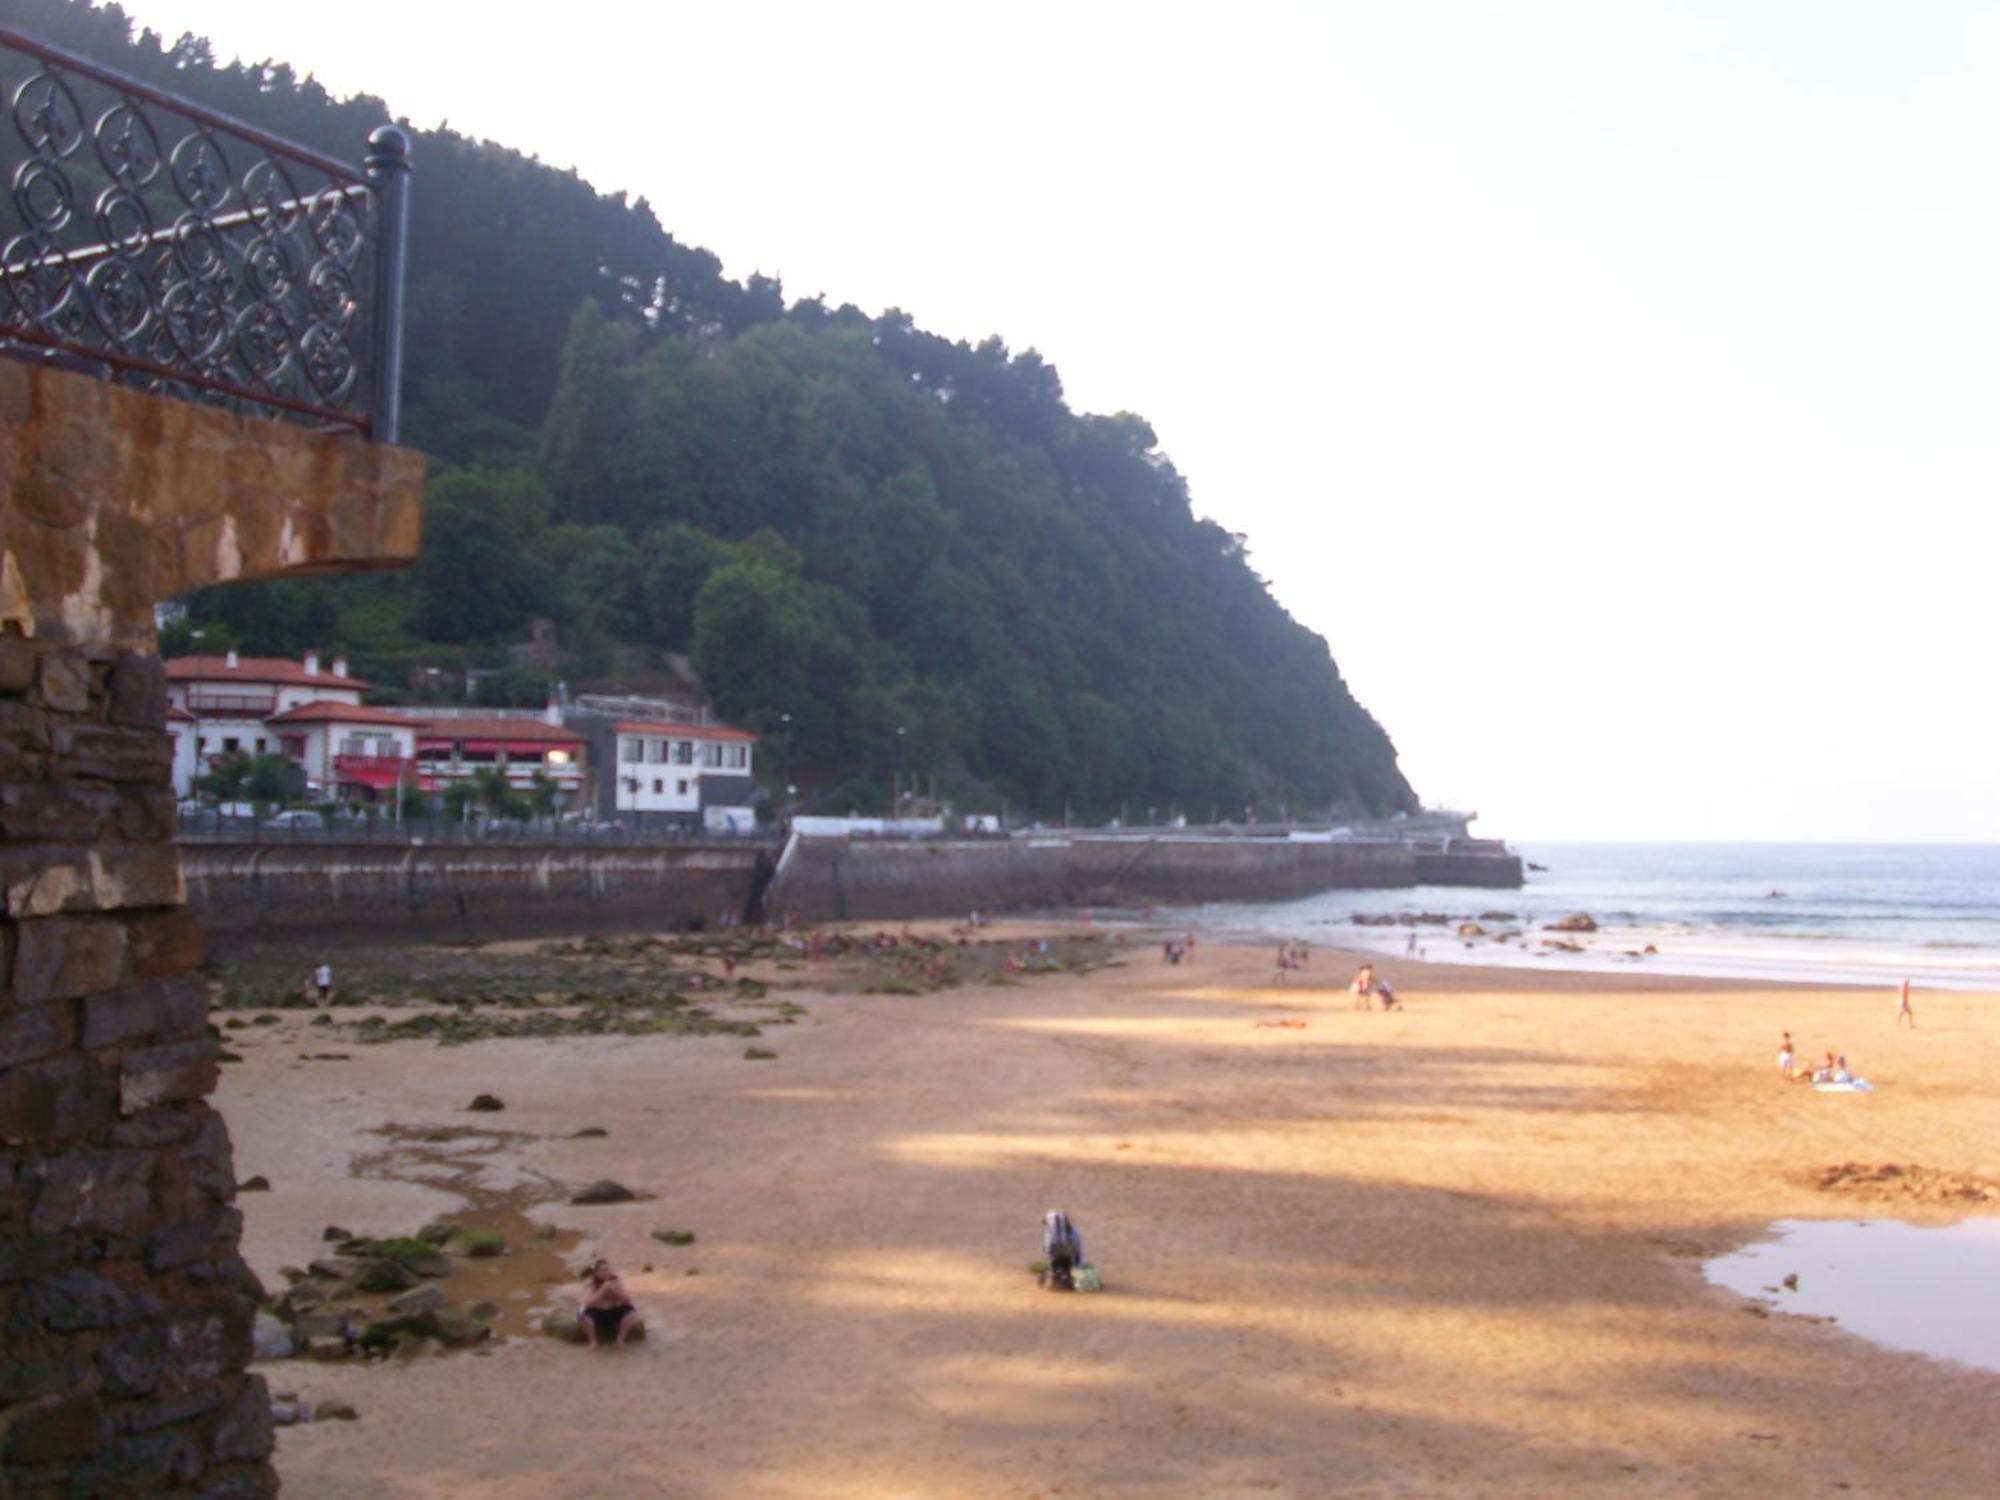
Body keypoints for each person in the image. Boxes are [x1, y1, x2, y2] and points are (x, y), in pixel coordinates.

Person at [579, 1259, 639, 1346]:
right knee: (581, 1313)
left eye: (607, 1270)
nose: (605, 1272)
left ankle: (620, 1340)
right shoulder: (590, 1283)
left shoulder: (616, 1281)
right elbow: (587, 1303)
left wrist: (614, 1291)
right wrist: (603, 1290)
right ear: (596, 1272)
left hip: (612, 1312)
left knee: (631, 1311)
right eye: (602, 1270)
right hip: (596, 1313)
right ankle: (593, 1341)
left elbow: (627, 1300)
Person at [1042, 1210, 1084, 1292]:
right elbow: (1078, 1248)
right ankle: (1067, 1278)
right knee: (1067, 1265)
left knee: (1054, 1263)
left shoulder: (1049, 1233)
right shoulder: (1073, 1231)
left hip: (1055, 1258)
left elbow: (1045, 1248)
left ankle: (1053, 1278)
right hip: (1069, 1259)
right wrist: (1079, 1265)